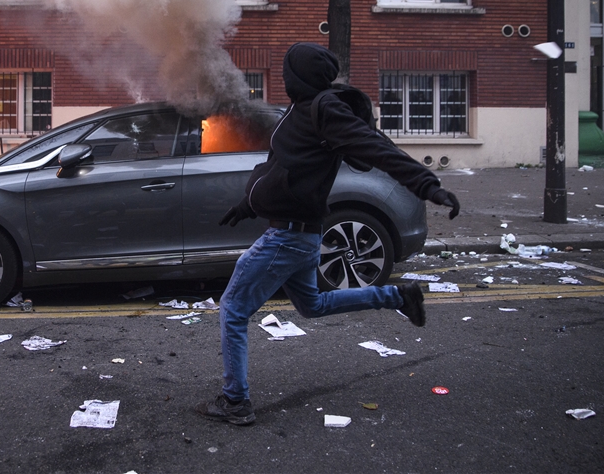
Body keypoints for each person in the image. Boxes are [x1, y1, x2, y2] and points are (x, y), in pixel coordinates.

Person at [195, 42, 460, 426]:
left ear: (299, 76)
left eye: (287, 71)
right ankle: (396, 296)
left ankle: (235, 401)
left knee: (234, 309)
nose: (283, 77)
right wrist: (247, 205)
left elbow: (376, 147)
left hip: (288, 236)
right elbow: (281, 167)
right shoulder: (299, 110)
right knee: (313, 305)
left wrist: (427, 184)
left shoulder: (324, 109)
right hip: (300, 234)